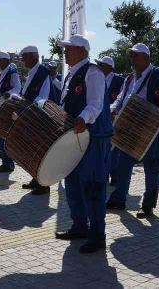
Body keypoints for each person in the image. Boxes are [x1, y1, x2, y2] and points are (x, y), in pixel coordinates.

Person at [54, 35, 113, 254]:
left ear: (81, 50)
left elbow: (95, 105)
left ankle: (98, 236)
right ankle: (80, 226)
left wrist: (83, 119)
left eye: (69, 48)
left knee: (93, 187)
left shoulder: (93, 72)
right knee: (73, 185)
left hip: (93, 138)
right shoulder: (70, 74)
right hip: (74, 138)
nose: (65, 52)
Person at [106, 43, 159, 219]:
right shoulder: (129, 78)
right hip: (130, 125)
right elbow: (121, 98)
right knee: (123, 164)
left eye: (135, 56)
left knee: (152, 166)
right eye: (131, 55)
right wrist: (112, 108)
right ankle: (119, 199)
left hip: (151, 126)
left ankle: (148, 205)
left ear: (146, 58)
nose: (132, 59)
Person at [13, 45, 56, 195]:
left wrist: (26, 104)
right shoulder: (33, 72)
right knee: (34, 152)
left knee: (42, 152)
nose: (23, 60)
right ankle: (36, 179)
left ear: (33, 56)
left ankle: (44, 184)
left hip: (41, 119)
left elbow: (43, 97)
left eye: (24, 57)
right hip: (33, 116)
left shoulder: (42, 72)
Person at [95, 56, 124, 185]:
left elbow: (122, 99)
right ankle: (104, 175)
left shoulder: (120, 81)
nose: (98, 67)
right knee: (103, 149)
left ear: (108, 67)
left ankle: (115, 176)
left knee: (114, 150)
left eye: (100, 64)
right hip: (100, 120)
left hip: (114, 119)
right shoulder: (97, 79)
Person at [0, 51, 21, 172]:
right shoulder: (3, 73)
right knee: (0, 134)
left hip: (7, 107)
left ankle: (9, 163)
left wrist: (9, 93)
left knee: (5, 134)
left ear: (6, 61)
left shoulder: (12, 73)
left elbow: (18, 88)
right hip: (1, 106)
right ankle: (6, 162)